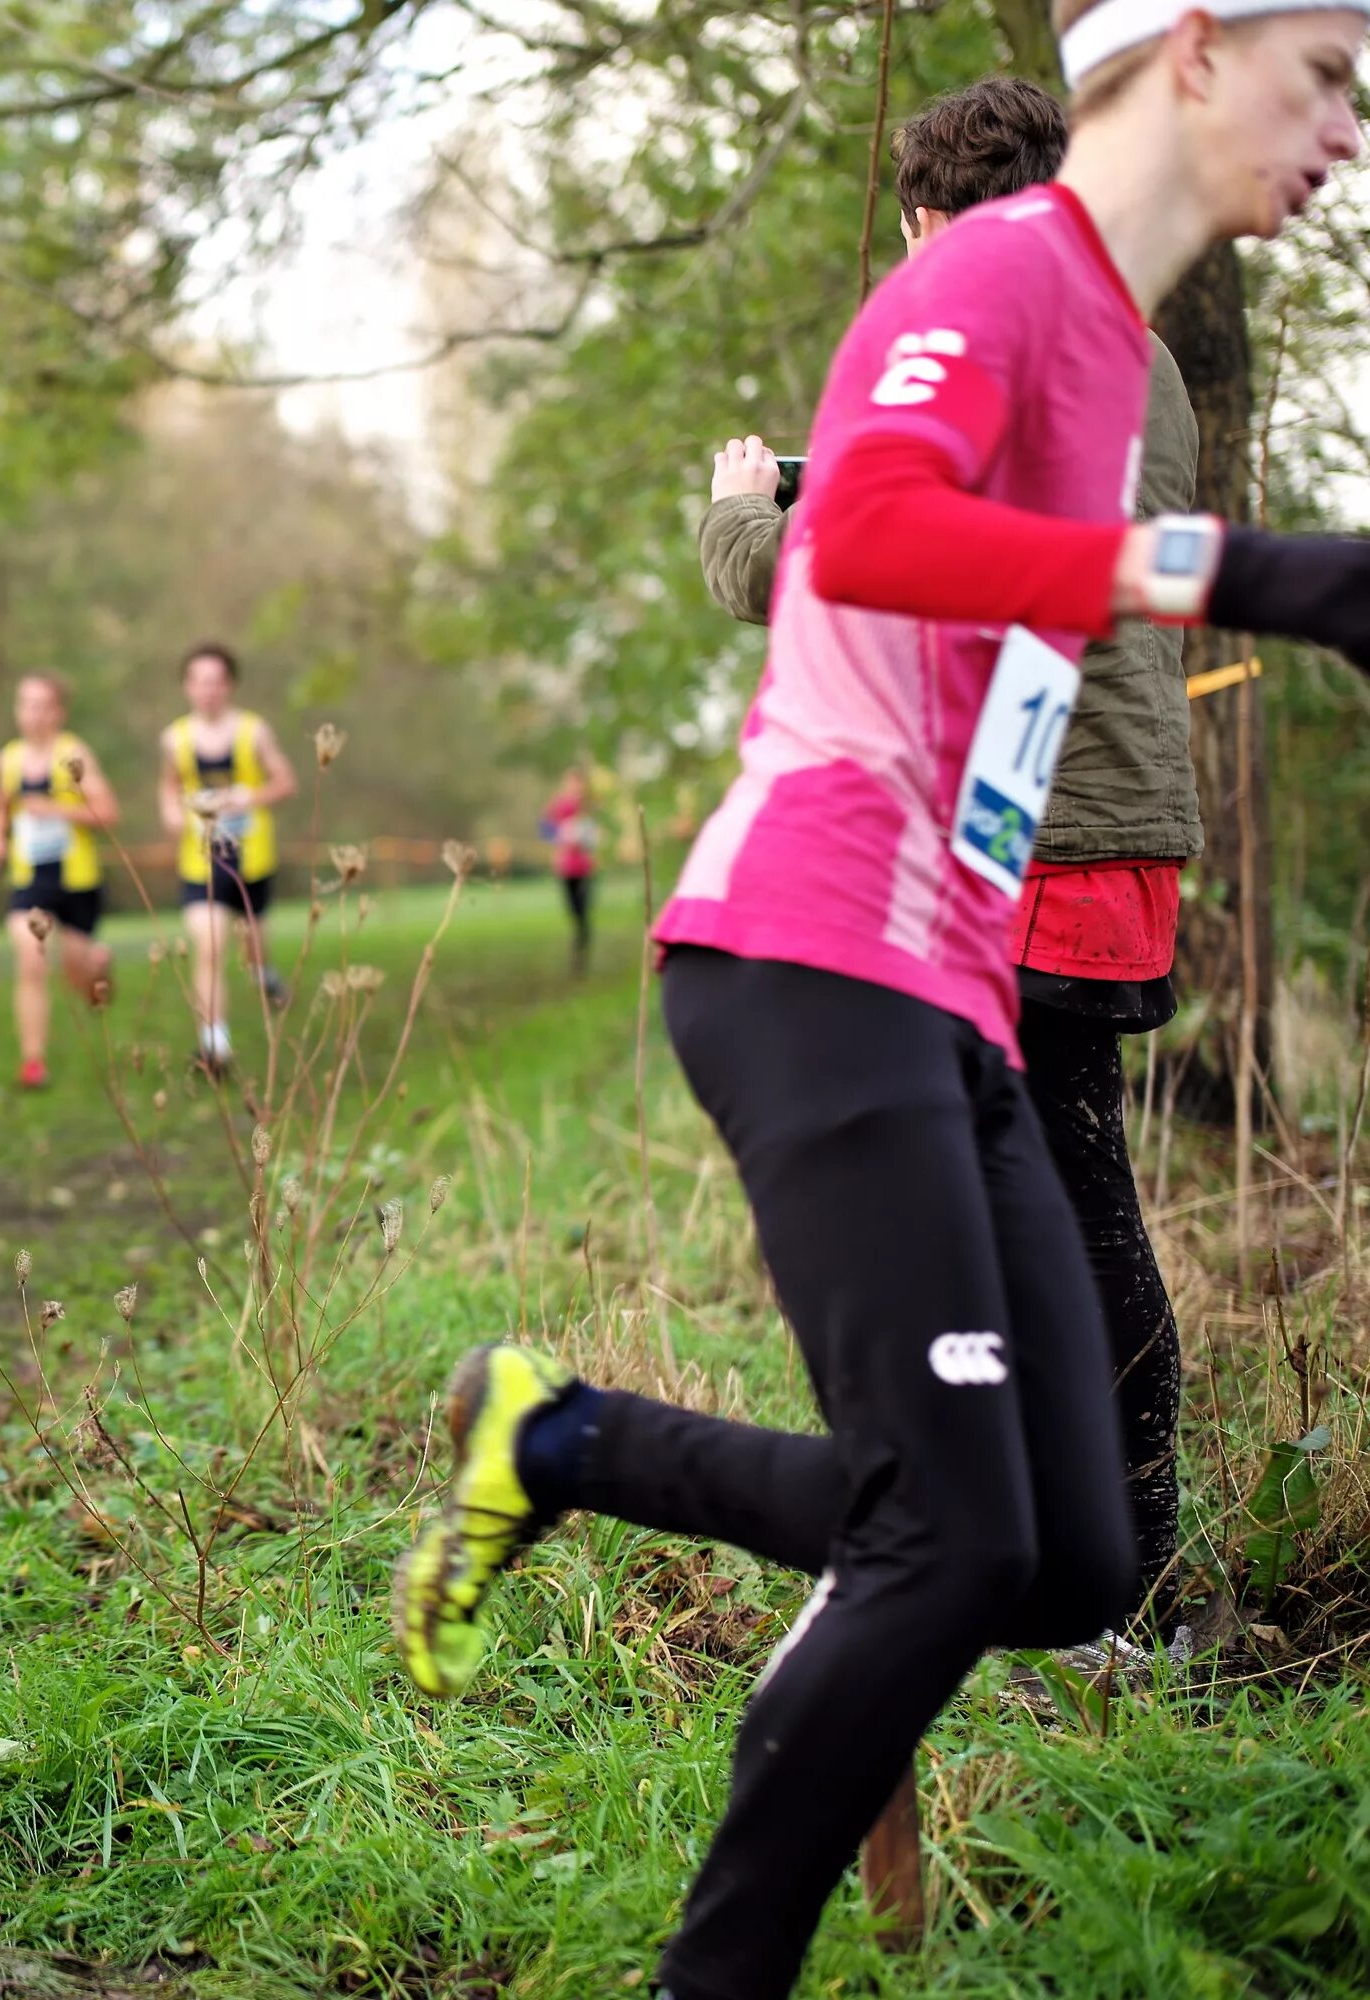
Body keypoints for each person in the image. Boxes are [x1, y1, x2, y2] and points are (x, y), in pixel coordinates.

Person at [392, 9, 1370, 1999]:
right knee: (945, 1545)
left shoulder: (1112, 340)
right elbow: (879, 523)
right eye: (1330, 73)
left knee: (1065, 1555)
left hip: (952, 979)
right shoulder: (998, 269)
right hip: (808, 949)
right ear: (1195, 54)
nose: (1349, 127)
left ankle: (558, 1439)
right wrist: (1256, 570)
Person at [698, 73, 1201, 1634]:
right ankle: (1070, 1557)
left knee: (1056, 1204)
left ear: (931, 222)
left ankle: (1128, 1586)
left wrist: (735, 511)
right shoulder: (1137, 341)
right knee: (1039, 1195)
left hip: (1026, 835)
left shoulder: (984, 331)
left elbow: (825, 570)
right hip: (1103, 823)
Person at [156, 644, 296, 1074]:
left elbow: (285, 782)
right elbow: (168, 787)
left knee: (252, 944)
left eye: (216, 681)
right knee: (211, 946)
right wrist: (172, 814)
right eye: (199, 681)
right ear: (187, 686)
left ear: (230, 685)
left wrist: (248, 797)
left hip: (251, 858)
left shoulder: (253, 732)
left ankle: (264, 972)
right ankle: (214, 1046)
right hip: (200, 862)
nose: (208, 690)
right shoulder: (175, 738)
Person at [0, 674, 119, 1089]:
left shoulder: (73, 753)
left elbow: (108, 811)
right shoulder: (8, 760)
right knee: (32, 958)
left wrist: (58, 811)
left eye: (42, 705)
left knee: (83, 981)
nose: (33, 714)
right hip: (29, 881)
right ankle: (33, 1061)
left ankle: (99, 974)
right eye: (25, 704)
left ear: (59, 712)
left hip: (77, 881)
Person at [538, 761, 601, 974]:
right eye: (571, 782)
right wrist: (560, 836)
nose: (575, 786)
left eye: (578, 782)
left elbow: (599, 834)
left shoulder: (589, 806)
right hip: (566, 867)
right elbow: (544, 830)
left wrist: (590, 839)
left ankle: (581, 950)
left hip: (585, 867)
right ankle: (579, 941)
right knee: (573, 911)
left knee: (583, 910)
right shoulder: (559, 805)